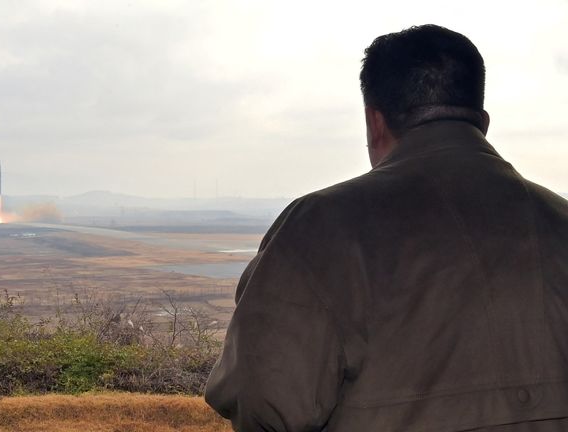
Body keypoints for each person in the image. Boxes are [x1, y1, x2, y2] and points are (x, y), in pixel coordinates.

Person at [204, 24, 568, 431]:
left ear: (374, 122)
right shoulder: (561, 220)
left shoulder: (320, 227)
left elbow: (263, 404)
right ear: (482, 122)